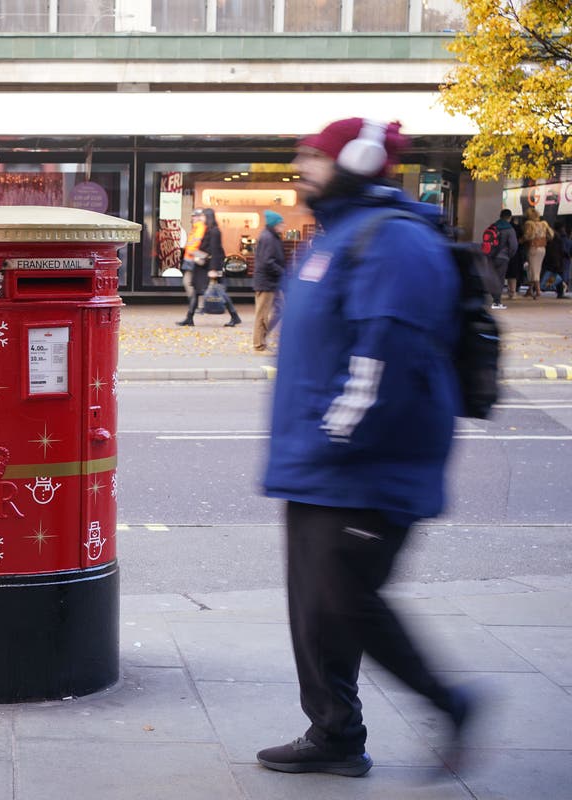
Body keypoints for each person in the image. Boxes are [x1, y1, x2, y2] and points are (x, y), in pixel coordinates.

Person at [258, 118, 476, 778]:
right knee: (314, 608)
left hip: (364, 466)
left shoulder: (394, 242)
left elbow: (384, 357)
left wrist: (333, 435)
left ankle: (451, 702)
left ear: (353, 160)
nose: (302, 165)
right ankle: (334, 733)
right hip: (316, 465)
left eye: (313, 156)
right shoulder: (337, 235)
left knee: (345, 601)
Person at [191, 208, 241, 327]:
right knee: (198, 291)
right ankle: (189, 316)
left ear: (208, 217)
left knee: (218, 291)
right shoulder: (208, 230)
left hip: (211, 267)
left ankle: (235, 316)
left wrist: (213, 269)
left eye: (202, 216)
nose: (200, 218)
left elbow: (214, 250)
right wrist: (196, 254)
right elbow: (207, 249)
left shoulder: (214, 231)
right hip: (207, 266)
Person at [252, 209, 286, 351]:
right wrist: (282, 272)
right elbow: (267, 261)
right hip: (266, 282)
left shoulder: (272, 236)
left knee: (280, 309)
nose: (283, 225)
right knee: (262, 314)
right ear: (274, 224)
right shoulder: (268, 238)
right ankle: (259, 344)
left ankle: (263, 337)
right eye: (281, 223)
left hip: (272, 281)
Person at [176, 208, 208, 326]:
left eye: (194, 216)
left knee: (191, 283)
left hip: (194, 258)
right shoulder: (197, 227)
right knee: (191, 283)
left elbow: (197, 242)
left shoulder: (200, 227)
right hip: (191, 258)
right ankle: (197, 304)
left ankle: (197, 304)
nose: (192, 218)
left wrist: (191, 248)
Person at [486, 209, 518, 309]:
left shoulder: (493, 226)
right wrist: (509, 255)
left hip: (491, 256)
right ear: (510, 217)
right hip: (502, 258)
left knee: (491, 277)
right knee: (499, 279)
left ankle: (489, 297)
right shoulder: (509, 229)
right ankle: (497, 301)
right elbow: (513, 246)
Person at [520, 207, 553, 300]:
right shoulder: (543, 224)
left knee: (533, 270)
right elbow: (550, 235)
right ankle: (530, 290)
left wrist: (520, 241)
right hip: (542, 248)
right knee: (536, 268)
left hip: (533, 248)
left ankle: (538, 291)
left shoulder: (529, 224)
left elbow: (527, 236)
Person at [539, 221, 567, 298]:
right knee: (556, 276)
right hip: (555, 260)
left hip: (550, 260)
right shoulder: (555, 237)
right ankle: (558, 292)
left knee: (552, 276)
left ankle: (541, 287)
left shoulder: (549, 237)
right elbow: (558, 250)